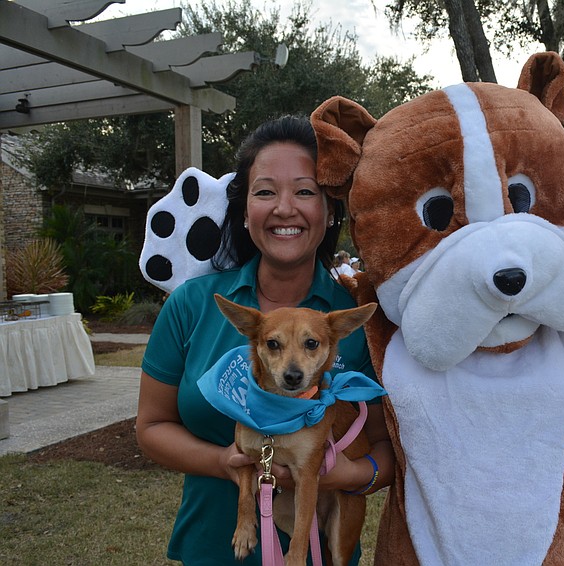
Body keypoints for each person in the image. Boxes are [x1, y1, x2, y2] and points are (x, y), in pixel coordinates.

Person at [135, 115, 393, 565]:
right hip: (213, 548)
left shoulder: (358, 319)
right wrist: (223, 462)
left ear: (330, 209)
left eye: (305, 191)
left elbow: (389, 453)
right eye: (265, 191)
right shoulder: (193, 305)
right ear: (244, 209)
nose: (285, 208)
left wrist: (348, 474)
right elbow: (151, 429)